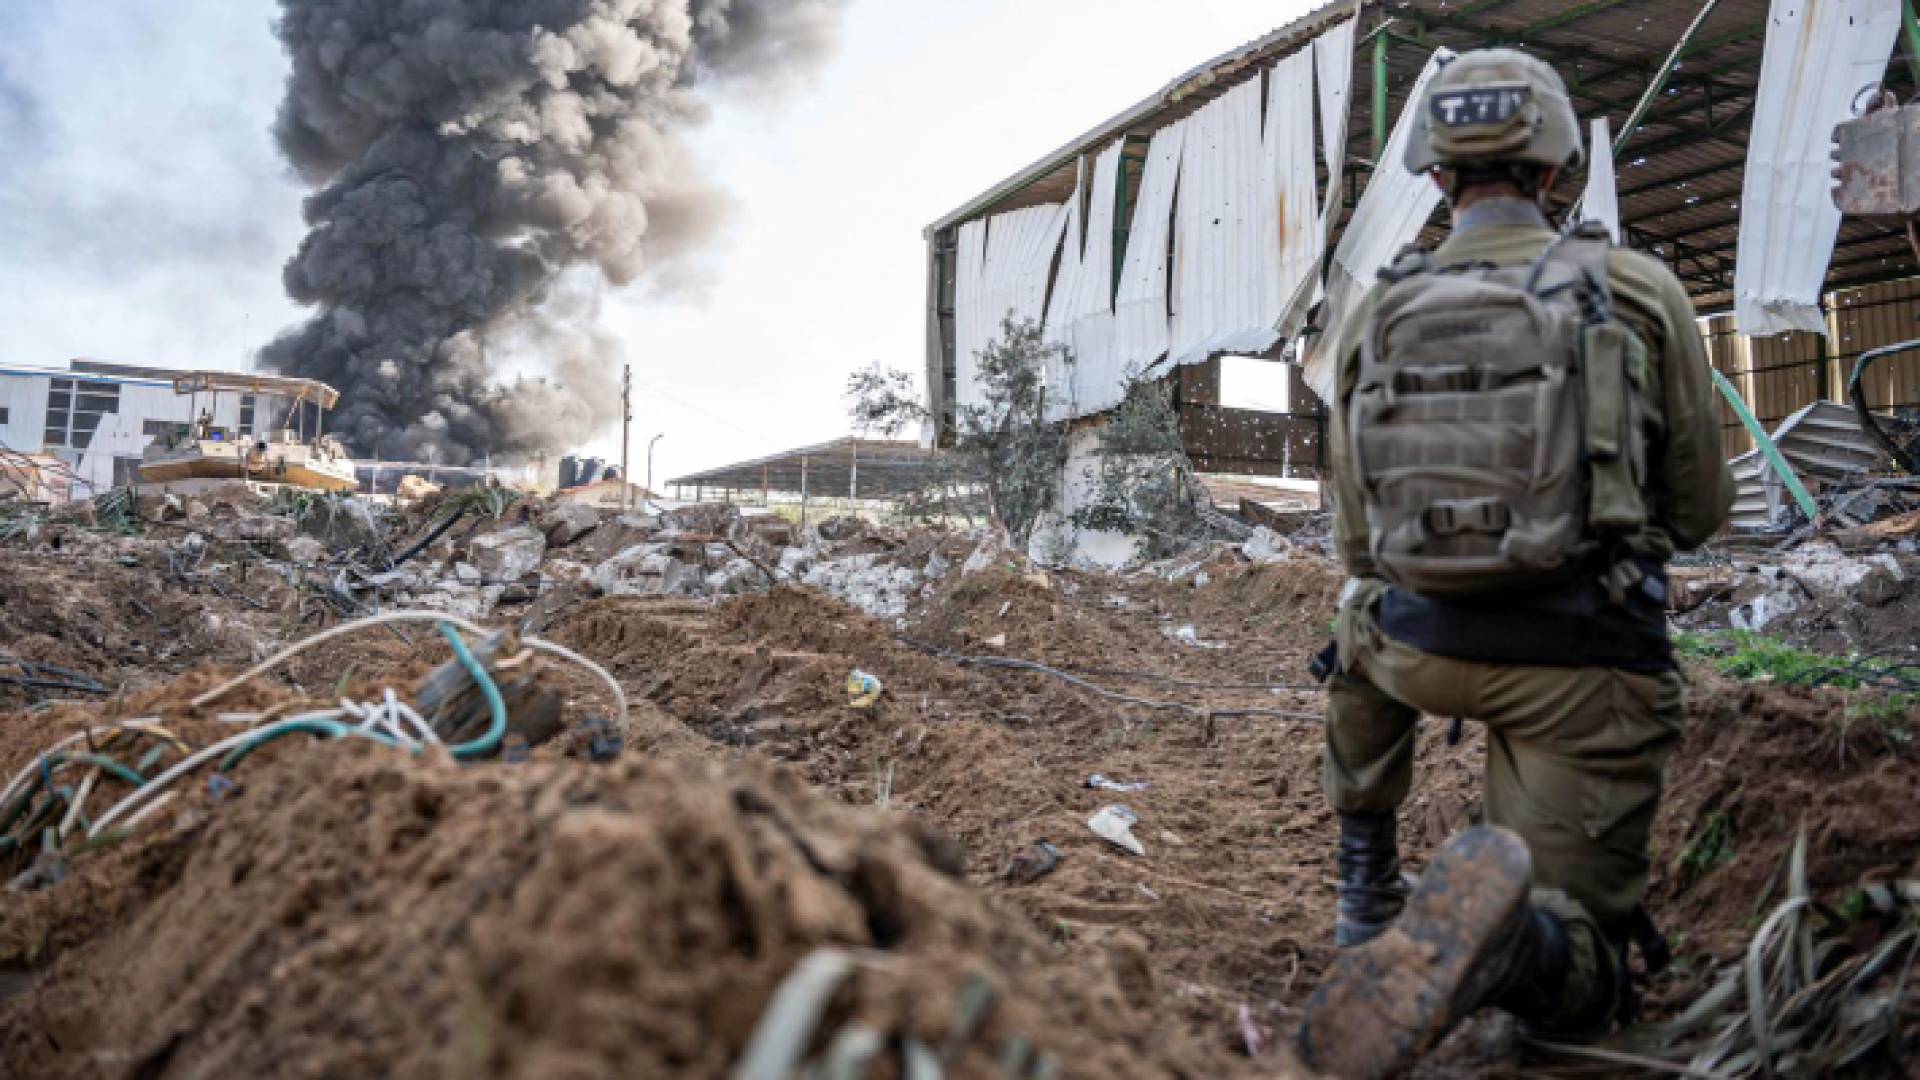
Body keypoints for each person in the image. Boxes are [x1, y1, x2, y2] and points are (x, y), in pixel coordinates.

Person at [1294, 47, 1734, 1078]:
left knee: (1354, 626)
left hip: (1410, 652)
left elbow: (1357, 543)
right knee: (1585, 980)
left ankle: (1367, 894)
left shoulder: (1377, 311)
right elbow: (1703, 512)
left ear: (1436, 176)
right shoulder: (1636, 290)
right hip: (1581, 668)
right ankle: (1517, 943)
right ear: (1557, 166)